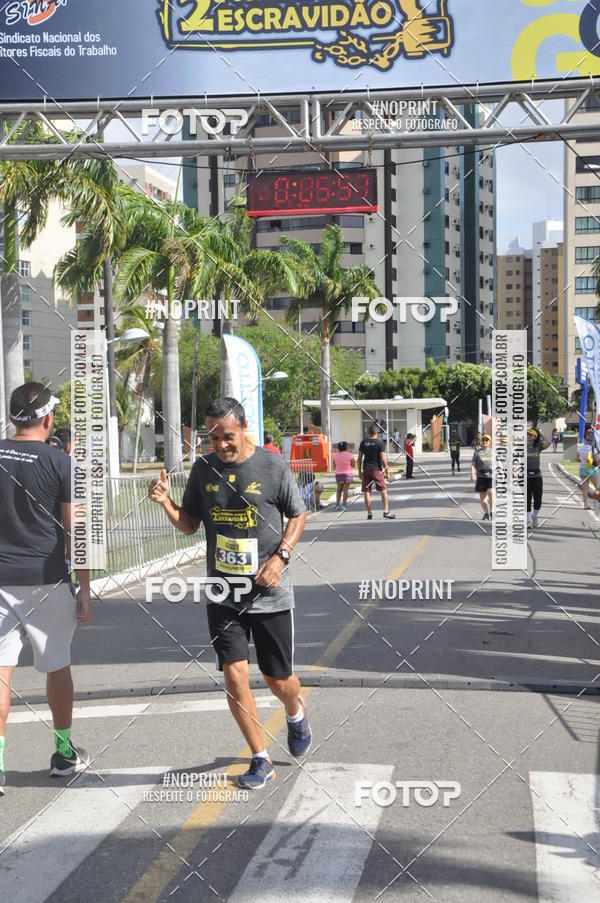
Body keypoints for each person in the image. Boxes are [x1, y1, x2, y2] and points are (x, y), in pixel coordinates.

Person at [149, 397, 310, 790]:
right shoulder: (203, 470)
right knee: (235, 675)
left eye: (228, 436)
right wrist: (165, 502)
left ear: (244, 427)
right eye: (213, 437)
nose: (220, 444)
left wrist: (281, 557)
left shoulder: (272, 465)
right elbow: (188, 525)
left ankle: (295, 710)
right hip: (223, 591)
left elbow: (298, 513)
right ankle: (261, 757)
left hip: (269, 590)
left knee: (278, 678)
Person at [0, 384, 92, 794]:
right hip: (47, 580)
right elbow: (76, 531)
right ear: (49, 420)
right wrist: (85, 587)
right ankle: (62, 752)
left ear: (11, 417)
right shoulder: (60, 462)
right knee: (57, 668)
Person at [358, 424, 395, 520]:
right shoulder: (379, 443)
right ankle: (386, 511)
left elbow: (359, 458)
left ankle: (369, 513)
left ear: (369, 432)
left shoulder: (363, 442)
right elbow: (383, 459)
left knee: (367, 491)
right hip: (376, 470)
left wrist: (359, 471)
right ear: (377, 433)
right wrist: (387, 472)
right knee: (383, 490)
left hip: (366, 469)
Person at [526, 428, 550, 529]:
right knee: (527, 499)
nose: (528, 436)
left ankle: (534, 516)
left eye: (530, 435)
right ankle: (528, 521)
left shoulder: (538, 447)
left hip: (537, 477)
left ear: (535, 437)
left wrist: (541, 433)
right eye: (527, 434)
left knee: (538, 500)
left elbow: (548, 442)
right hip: (526, 476)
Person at [471, 433, 493, 520]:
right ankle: (486, 513)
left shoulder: (493, 452)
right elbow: (473, 464)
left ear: (489, 442)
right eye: (483, 440)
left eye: (486, 440)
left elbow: (498, 462)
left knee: (491, 493)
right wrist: (472, 474)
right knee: (483, 499)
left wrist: (501, 472)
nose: (485, 442)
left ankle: (492, 512)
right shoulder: (477, 452)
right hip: (481, 477)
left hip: (491, 476)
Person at [577, 427, 600, 510]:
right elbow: (597, 460)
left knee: (585, 488)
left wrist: (584, 461)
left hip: (582, 469)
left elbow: (577, 459)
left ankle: (585, 505)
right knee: (598, 488)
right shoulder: (593, 449)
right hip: (591, 469)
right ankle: (597, 505)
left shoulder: (580, 448)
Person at [333, 441, 355, 511]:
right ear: (346, 447)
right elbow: (353, 465)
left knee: (339, 490)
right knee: (345, 490)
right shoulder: (350, 455)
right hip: (347, 474)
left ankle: (337, 504)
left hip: (338, 474)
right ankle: (344, 505)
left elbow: (334, 465)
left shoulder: (335, 455)